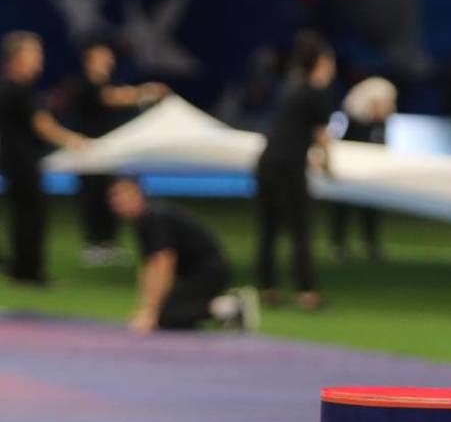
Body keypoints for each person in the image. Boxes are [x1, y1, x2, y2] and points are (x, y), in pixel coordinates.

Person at [108, 177, 259, 333]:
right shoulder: (143, 221)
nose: (117, 201)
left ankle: (228, 306)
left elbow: (163, 262)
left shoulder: (155, 217)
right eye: (113, 196)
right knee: (170, 315)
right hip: (191, 274)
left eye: (121, 194)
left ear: (138, 192)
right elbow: (149, 267)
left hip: (208, 272)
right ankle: (221, 311)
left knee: (165, 316)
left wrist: (151, 311)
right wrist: (143, 308)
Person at [255, 30, 335, 310]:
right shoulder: (315, 91)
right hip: (288, 166)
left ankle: (267, 289)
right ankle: (306, 292)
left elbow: (290, 129)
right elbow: (322, 136)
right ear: (322, 63)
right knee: (301, 228)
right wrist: (329, 166)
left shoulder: (290, 86)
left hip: (267, 162)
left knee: (269, 229)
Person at [0, 31, 87, 284]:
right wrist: (73, 140)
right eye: (34, 53)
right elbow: (42, 125)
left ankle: (21, 267)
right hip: (22, 162)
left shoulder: (11, 88)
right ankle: (29, 271)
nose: (39, 59)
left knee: (23, 213)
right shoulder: (18, 89)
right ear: (16, 58)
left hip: (15, 161)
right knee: (32, 214)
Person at [73, 42, 169, 265]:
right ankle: (93, 244)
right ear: (89, 61)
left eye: (109, 57)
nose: (108, 61)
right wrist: (147, 92)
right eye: (102, 57)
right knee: (93, 197)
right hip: (89, 151)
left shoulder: (106, 84)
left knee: (112, 196)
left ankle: (109, 243)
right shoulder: (86, 85)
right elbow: (111, 97)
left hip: (109, 152)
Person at [331, 75, 395, 260]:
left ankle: (370, 243)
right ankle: (339, 244)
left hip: (372, 175)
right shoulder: (354, 124)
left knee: (372, 205)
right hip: (350, 173)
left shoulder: (380, 124)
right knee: (343, 204)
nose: (390, 108)